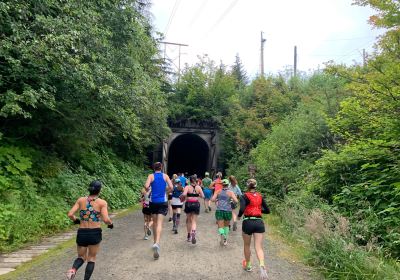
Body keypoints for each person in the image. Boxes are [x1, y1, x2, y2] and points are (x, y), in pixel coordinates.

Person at [66, 180, 113, 280]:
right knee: (91, 258)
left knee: (81, 257)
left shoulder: (80, 200)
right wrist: (111, 224)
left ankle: (73, 270)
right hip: (94, 233)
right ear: (99, 190)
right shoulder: (102, 203)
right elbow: (106, 219)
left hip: (82, 232)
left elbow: (70, 214)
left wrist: (76, 220)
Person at [238, 179, 270, 280]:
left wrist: (239, 216)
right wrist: (259, 211)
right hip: (259, 222)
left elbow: (242, 209)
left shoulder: (244, 196)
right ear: (256, 186)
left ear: (247, 186)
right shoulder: (260, 196)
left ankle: (248, 265)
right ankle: (262, 265)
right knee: (258, 247)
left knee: (247, 245)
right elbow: (268, 210)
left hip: (248, 222)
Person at [144, 162, 173, 260]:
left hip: (153, 202)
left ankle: (154, 243)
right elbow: (171, 187)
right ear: (161, 168)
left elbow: (146, 186)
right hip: (163, 201)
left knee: (155, 223)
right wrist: (165, 192)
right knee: (160, 223)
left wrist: (151, 190)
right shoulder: (165, 176)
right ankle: (157, 243)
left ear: (153, 168)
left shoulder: (151, 176)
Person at [211, 179, 238, 246]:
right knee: (226, 226)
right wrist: (231, 201)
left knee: (220, 226)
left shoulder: (218, 191)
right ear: (228, 184)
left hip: (219, 210)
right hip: (228, 211)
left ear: (222, 185)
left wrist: (217, 199)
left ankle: (222, 234)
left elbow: (212, 199)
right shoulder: (231, 192)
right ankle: (225, 239)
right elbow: (236, 201)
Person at [181, 175, 205, 244]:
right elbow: (203, 196)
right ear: (196, 180)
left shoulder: (187, 187)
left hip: (188, 204)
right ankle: (193, 232)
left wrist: (184, 195)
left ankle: (189, 236)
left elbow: (184, 194)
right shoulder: (198, 187)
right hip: (196, 204)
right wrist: (197, 195)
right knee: (194, 221)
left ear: (190, 180)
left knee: (189, 220)